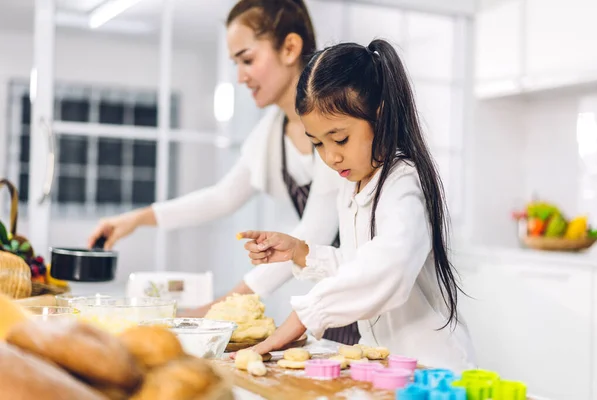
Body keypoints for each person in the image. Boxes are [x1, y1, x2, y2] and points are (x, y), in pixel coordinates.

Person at [87, 0, 360, 345]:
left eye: (247, 60)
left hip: (370, 300)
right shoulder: (272, 131)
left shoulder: (335, 130)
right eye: (236, 63)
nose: (240, 76)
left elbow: (314, 231)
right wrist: (134, 220)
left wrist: (223, 305)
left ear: (290, 47)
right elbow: (222, 197)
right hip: (329, 300)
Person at [238, 39, 477, 371]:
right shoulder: (351, 185)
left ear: (378, 114)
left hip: (434, 369)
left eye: (340, 139)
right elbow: (358, 264)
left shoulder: (403, 181)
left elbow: (388, 269)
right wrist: (300, 251)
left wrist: (307, 314)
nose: (331, 156)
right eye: (318, 143)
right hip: (386, 365)